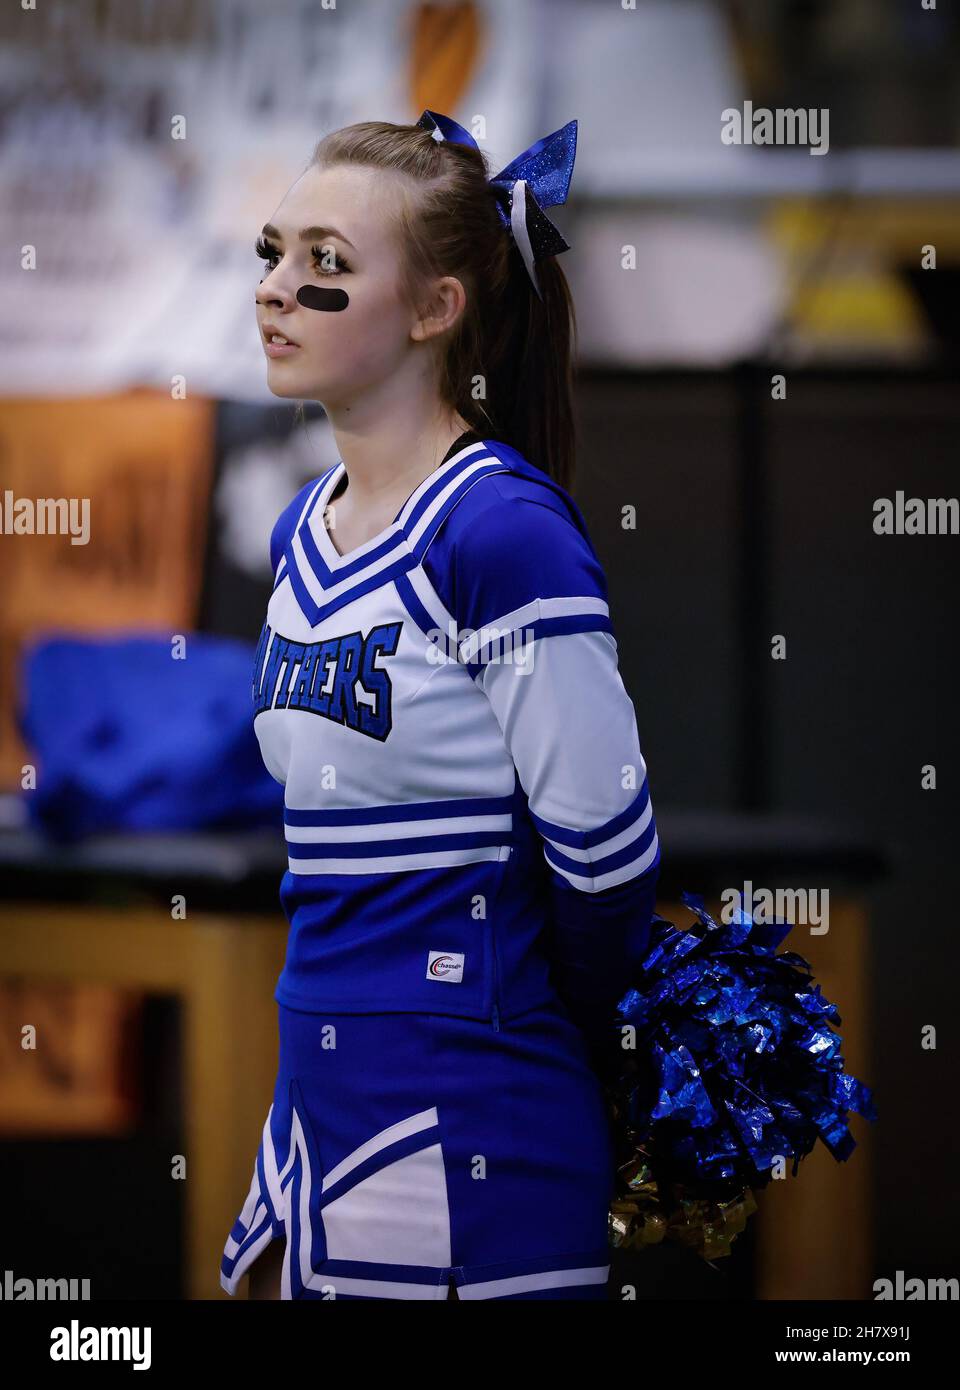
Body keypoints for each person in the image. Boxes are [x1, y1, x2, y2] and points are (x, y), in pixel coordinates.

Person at [220, 110, 660, 1302]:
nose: (274, 289)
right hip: (316, 1099)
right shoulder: (299, 532)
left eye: (324, 265)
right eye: (270, 252)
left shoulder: (499, 529)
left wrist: (570, 1045)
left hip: (474, 1117)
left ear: (435, 309)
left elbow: (607, 857)